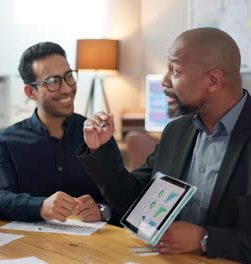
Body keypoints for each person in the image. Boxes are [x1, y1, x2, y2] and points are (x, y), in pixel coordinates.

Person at [78, 28, 251, 263]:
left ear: (213, 80)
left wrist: (205, 239)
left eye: (176, 71)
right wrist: (100, 149)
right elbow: (135, 199)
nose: (164, 81)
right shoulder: (176, 131)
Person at [0, 42, 122, 224]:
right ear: (31, 92)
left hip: (92, 247)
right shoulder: (7, 142)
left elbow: (124, 197)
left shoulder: (98, 135)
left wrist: (103, 210)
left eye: (69, 77)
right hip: (30, 246)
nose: (66, 88)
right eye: (52, 82)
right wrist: (40, 207)